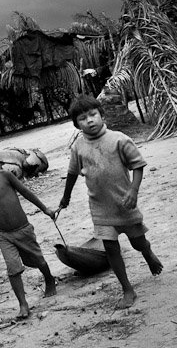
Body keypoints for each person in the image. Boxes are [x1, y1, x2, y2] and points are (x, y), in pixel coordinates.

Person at [57, 94, 163, 309]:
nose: (89, 120)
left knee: (138, 242)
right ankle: (127, 289)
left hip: (125, 204)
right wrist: (65, 198)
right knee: (111, 249)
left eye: (93, 114)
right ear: (76, 124)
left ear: (102, 115)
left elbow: (138, 165)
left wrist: (134, 190)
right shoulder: (78, 147)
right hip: (100, 209)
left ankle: (148, 252)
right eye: (83, 118)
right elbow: (72, 173)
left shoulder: (119, 139)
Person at [0, 142, 57, 319]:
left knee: (38, 259)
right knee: (13, 269)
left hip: (23, 229)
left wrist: (45, 209)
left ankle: (49, 279)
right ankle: (23, 304)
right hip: (4, 235)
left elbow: (26, 193)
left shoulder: (6, 176)